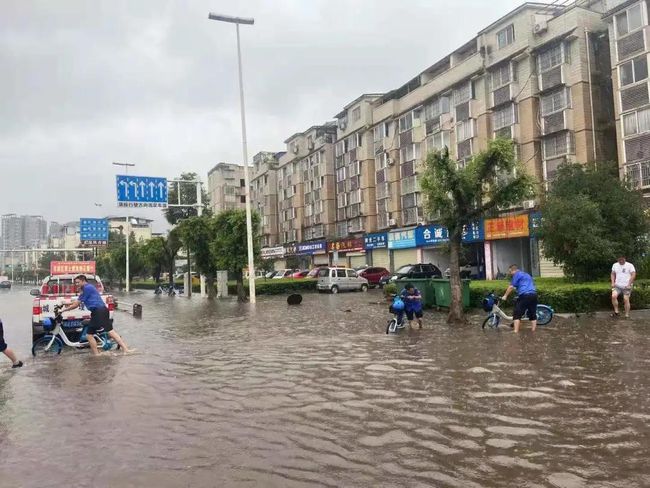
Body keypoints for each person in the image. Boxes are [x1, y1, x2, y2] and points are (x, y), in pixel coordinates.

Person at [61, 275, 131, 355]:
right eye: (75, 283)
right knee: (109, 331)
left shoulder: (86, 288)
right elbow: (78, 300)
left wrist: (63, 310)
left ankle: (97, 355)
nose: (76, 284)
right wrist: (66, 303)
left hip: (98, 312)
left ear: (83, 281)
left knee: (90, 335)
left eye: (78, 282)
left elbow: (76, 304)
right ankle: (125, 349)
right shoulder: (87, 288)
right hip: (101, 311)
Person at [501, 264, 537, 333]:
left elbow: (511, 287)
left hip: (525, 295)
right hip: (534, 295)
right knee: (533, 314)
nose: (510, 273)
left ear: (513, 270)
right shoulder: (527, 274)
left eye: (510, 272)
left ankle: (515, 331)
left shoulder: (516, 275)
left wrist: (505, 296)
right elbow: (527, 284)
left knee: (516, 313)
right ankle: (533, 331)